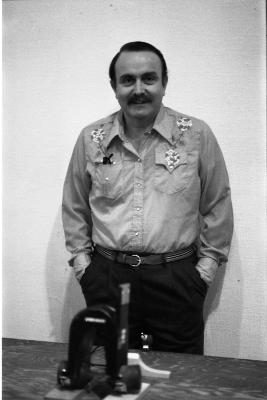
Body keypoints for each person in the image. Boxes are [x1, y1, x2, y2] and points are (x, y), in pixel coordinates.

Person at [62, 41, 233, 354]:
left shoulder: (195, 135)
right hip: (107, 276)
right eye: (127, 80)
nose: (138, 89)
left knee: (181, 377)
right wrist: (84, 266)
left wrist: (205, 270)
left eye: (148, 78)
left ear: (164, 83)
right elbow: (74, 206)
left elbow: (217, 203)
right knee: (110, 373)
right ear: (114, 87)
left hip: (177, 279)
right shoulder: (91, 139)